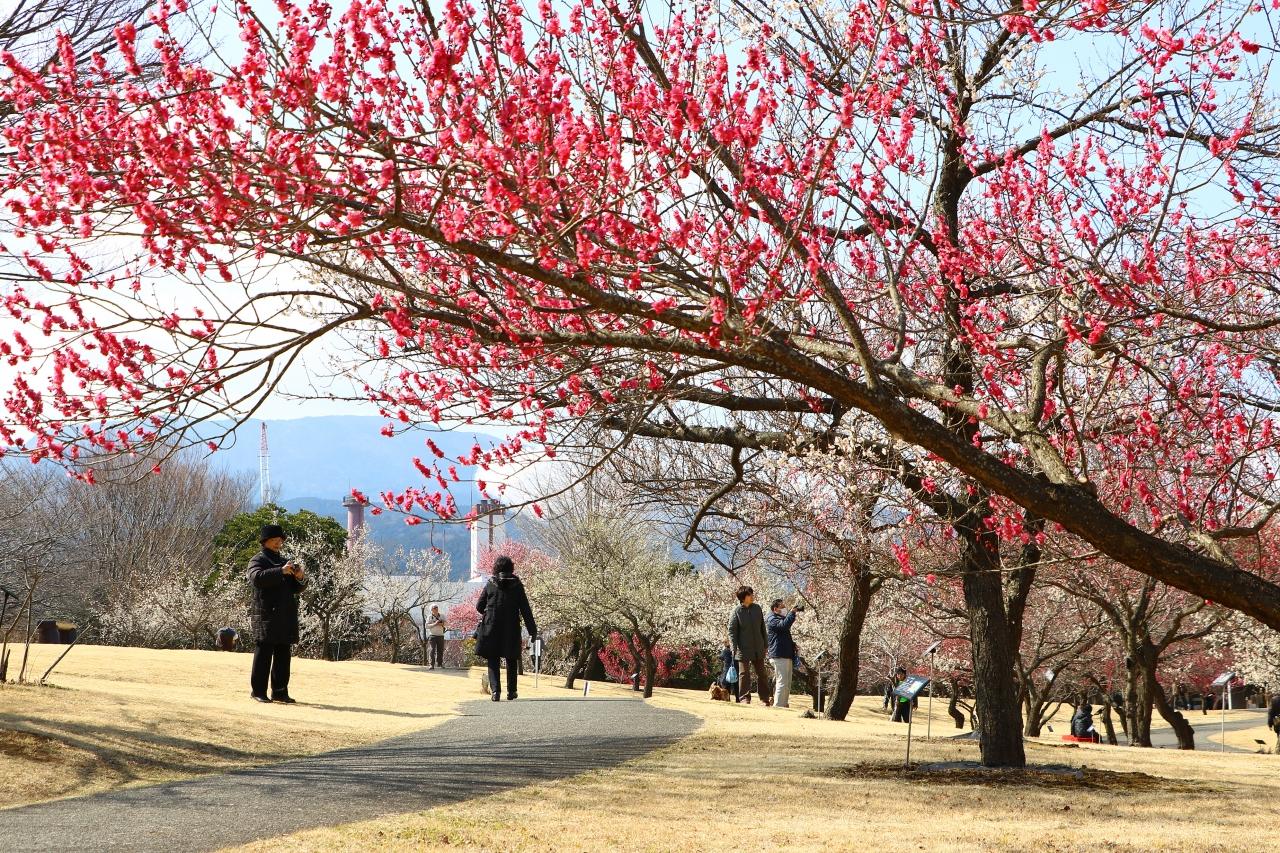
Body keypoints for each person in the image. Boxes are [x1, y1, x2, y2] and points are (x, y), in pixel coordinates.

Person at [247, 523, 307, 704]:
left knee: (283, 655)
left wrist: (300, 577)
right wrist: (280, 571)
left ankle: (280, 692)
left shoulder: (285, 561)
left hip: (285, 615)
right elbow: (257, 578)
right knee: (263, 654)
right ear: (265, 541)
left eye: (280, 540)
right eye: (274, 540)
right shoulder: (257, 560)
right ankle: (258, 691)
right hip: (265, 614)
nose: (278, 543)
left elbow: (297, 588)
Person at [475, 555, 537, 702]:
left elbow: (479, 606)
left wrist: (489, 610)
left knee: (493, 658)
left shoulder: (490, 583)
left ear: (496, 568)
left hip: (491, 626)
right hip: (511, 627)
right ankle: (512, 691)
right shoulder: (517, 585)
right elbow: (525, 609)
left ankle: (495, 692)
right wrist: (532, 631)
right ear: (511, 568)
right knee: (511, 658)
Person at [729, 585, 770, 705]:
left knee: (762, 674)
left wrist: (765, 644)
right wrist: (733, 647)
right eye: (749, 594)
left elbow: (763, 627)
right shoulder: (736, 611)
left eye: (752, 594)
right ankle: (744, 698)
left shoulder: (757, 608)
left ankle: (764, 699)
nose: (752, 596)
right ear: (743, 597)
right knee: (744, 674)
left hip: (758, 647)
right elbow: (732, 631)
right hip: (743, 648)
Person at [766, 598, 802, 708]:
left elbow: (782, 636)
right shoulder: (772, 619)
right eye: (782, 607)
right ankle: (778, 705)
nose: (784, 608)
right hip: (779, 654)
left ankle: (784, 704)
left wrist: (793, 645)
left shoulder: (779, 619)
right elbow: (783, 626)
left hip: (785, 653)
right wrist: (792, 613)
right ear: (775, 609)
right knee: (782, 681)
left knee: (787, 682)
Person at [426, 605, 446, 670]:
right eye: (434, 608)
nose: (436, 609)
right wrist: (435, 624)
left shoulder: (442, 616)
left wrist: (442, 623)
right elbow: (427, 626)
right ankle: (431, 665)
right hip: (432, 635)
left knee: (440, 650)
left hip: (440, 635)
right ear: (431, 609)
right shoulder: (429, 617)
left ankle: (440, 664)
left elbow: (446, 624)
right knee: (432, 650)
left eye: (437, 607)